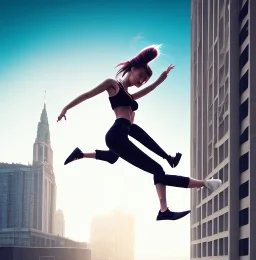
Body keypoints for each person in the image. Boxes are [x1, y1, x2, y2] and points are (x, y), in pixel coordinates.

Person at [57, 45, 222, 221]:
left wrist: (160, 79)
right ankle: (186, 195)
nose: (142, 81)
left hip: (121, 134)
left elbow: (146, 99)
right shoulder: (113, 85)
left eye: (144, 79)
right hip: (117, 134)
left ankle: (80, 154)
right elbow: (88, 94)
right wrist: (66, 108)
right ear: (133, 69)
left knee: (114, 158)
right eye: (141, 76)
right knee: (157, 170)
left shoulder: (130, 97)